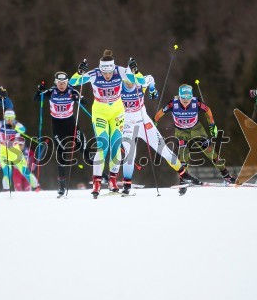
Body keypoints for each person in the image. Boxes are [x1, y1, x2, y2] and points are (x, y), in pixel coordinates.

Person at [120, 70, 201, 194]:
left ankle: (184, 175)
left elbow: (151, 78)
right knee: (130, 154)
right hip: (127, 124)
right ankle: (126, 185)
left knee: (163, 149)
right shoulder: (118, 87)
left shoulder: (141, 83)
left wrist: (153, 90)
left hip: (144, 122)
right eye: (127, 82)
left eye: (132, 82)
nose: (130, 85)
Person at [69, 50, 134, 198]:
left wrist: (132, 69)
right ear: (100, 69)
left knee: (116, 144)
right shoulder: (94, 74)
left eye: (110, 72)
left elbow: (136, 80)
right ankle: (97, 183)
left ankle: (112, 180)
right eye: (105, 73)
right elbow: (72, 83)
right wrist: (79, 73)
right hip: (100, 112)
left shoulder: (120, 71)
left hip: (117, 112)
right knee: (103, 145)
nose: (107, 75)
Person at [154, 84, 236, 184]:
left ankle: (226, 175)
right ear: (179, 96)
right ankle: (183, 179)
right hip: (181, 132)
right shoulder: (173, 104)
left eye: (188, 97)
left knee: (211, 152)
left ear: (191, 96)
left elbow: (208, 111)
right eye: (183, 97)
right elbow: (160, 113)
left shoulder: (196, 103)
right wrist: (154, 122)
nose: (186, 100)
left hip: (196, 129)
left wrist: (212, 125)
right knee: (183, 157)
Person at [33, 71, 96, 197]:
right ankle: (61, 186)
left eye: (64, 82)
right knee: (61, 153)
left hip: (71, 126)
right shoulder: (51, 92)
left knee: (83, 149)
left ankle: (101, 176)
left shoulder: (72, 91)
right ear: (56, 83)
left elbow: (86, 102)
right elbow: (36, 98)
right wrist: (39, 91)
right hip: (58, 127)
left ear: (67, 82)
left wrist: (78, 99)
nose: (62, 85)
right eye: (59, 82)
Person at [0, 110, 39, 191]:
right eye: (7, 118)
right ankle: (6, 190)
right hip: (4, 151)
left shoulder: (17, 124)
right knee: (7, 172)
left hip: (15, 151)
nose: (9, 120)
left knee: (24, 170)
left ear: (14, 118)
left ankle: (36, 187)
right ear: (4, 118)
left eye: (11, 118)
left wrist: (13, 126)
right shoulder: (0, 124)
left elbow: (23, 129)